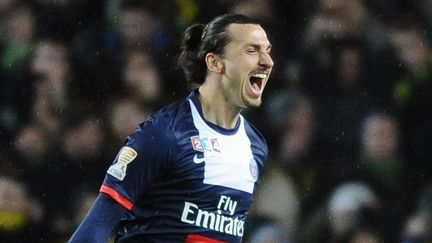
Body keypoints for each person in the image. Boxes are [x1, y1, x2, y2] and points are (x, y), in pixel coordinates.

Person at [68, 13, 274, 242]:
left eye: (267, 50)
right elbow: (94, 228)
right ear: (214, 62)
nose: (267, 61)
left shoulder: (255, 147)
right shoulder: (164, 134)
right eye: (252, 50)